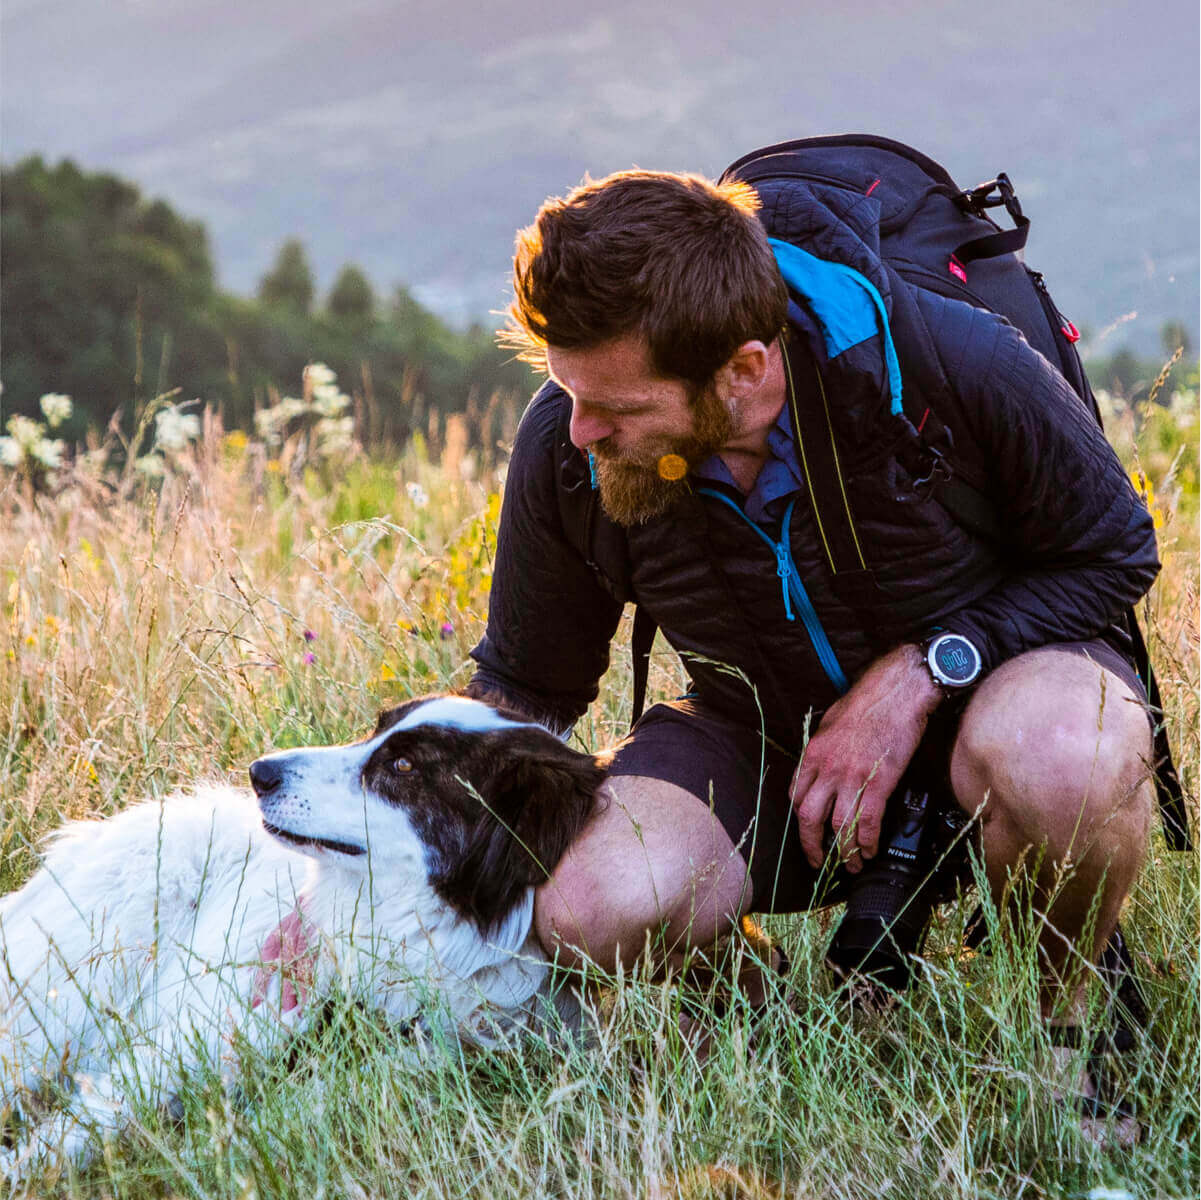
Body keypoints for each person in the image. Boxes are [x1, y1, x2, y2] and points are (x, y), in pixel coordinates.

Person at [466, 169, 1158, 1047]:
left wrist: (921, 671)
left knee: (1063, 758)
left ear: (744, 370)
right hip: (760, 740)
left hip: (998, 694)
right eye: (569, 396)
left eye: (616, 407)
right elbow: (526, 683)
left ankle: (1063, 1032)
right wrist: (392, 856)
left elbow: (1115, 551)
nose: (580, 434)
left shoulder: (953, 361)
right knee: (586, 908)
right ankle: (771, 1028)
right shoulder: (572, 439)